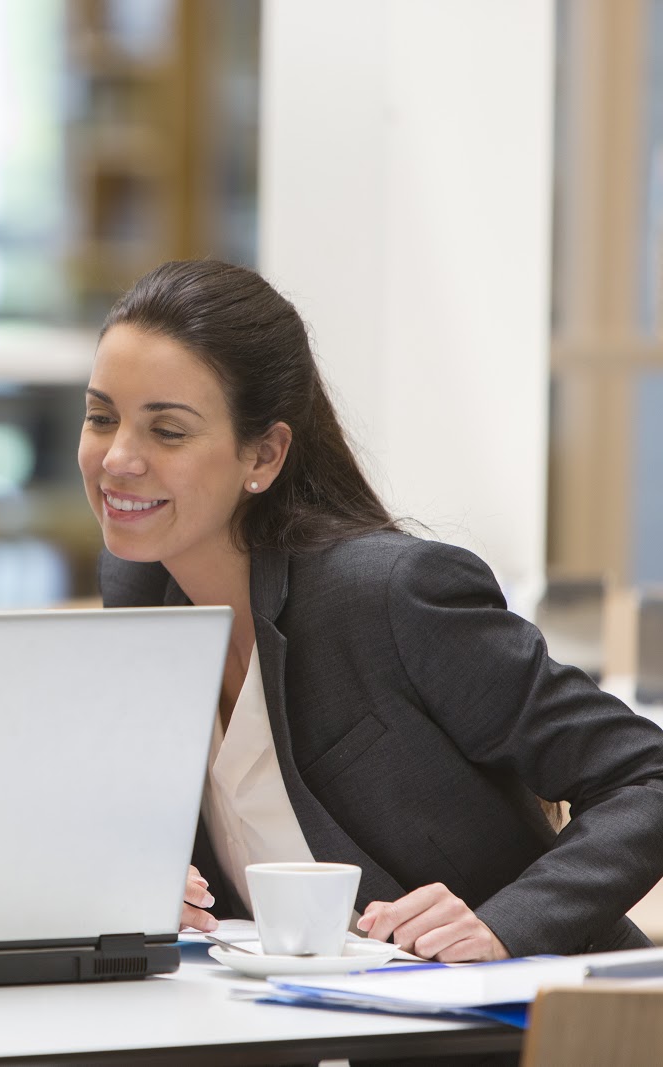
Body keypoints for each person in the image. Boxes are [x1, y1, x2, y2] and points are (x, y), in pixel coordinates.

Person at [80, 259, 663, 967]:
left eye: (166, 431)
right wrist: (137, 885)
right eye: (102, 417)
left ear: (263, 453)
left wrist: (505, 922)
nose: (116, 459)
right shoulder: (140, 582)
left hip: (525, 1026)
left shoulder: (388, 594)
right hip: (293, 1026)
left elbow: (646, 775)